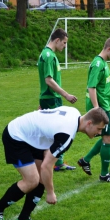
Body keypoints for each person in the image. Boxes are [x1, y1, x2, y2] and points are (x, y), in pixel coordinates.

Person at [0, 106, 109, 220]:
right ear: (89, 123)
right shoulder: (67, 134)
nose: (99, 133)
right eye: (99, 129)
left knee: (42, 178)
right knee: (32, 180)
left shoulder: (74, 112)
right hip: (16, 136)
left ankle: (23, 219)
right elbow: (47, 166)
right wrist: (50, 193)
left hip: (34, 138)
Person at [77, 36, 110, 182]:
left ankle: (86, 160)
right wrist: (97, 108)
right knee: (108, 137)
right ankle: (104, 174)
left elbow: (102, 81)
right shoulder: (97, 64)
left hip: (105, 105)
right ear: (108, 49)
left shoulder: (103, 62)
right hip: (101, 107)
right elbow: (91, 87)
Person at [38, 28, 78, 172]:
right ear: (57, 40)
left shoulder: (48, 54)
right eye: (64, 43)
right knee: (56, 131)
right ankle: (53, 162)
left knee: (56, 130)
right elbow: (48, 80)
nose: (65, 46)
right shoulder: (48, 55)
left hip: (49, 98)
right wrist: (66, 95)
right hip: (51, 99)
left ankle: (57, 162)